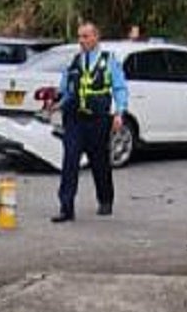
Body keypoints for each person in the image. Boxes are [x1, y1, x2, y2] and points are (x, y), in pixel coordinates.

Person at [47, 22, 128, 223]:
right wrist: (56, 105)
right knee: (70, 162)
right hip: (75, 119)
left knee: (99, 162)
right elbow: (66, 90)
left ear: (95, 37)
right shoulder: (74, 62)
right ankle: (66, 208)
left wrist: (119, 112)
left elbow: (119, 88)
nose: (81, 41)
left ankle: (105, 199)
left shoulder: (109, 61)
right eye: (79, 37)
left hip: (98, 119)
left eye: (85, 36)